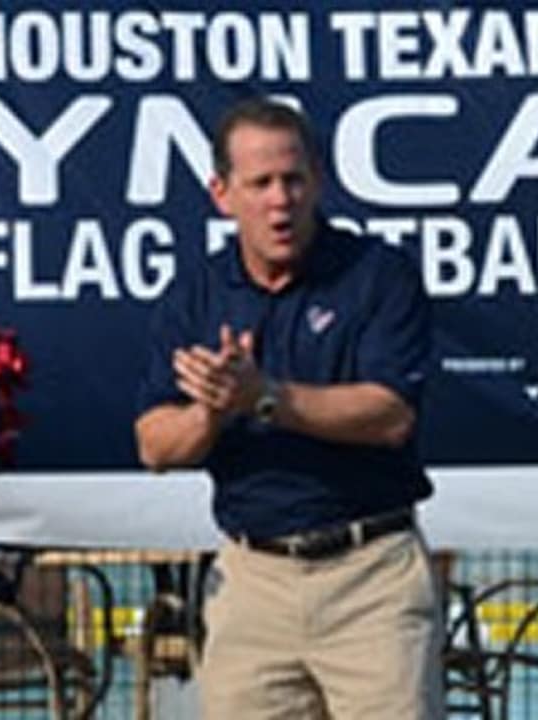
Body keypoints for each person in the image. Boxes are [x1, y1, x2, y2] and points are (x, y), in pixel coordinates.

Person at [134, 98, 443, 719]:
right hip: (252, 581)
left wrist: (265, 397)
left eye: (293, 179)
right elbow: (154, 445)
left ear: (318, 181)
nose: (281, 200)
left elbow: (390, 415)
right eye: (261, 183)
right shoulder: (195, 293)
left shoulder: (377, 275)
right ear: (222, 194)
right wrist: (212, 413)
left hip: (371, 576)